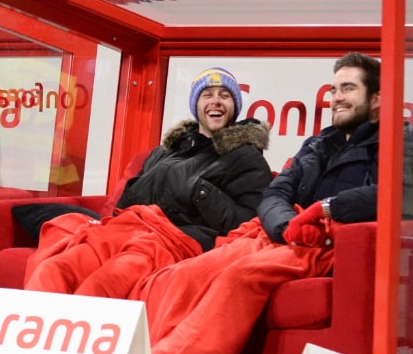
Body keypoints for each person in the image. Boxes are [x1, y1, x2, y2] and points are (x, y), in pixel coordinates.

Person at [136, 53, 413, 354]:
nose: (337, 98)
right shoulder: (318, 143)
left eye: (348, 88)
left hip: (330, 241)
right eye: (333, 90)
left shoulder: (398, 139)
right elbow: (275, 193)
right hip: (287, 234)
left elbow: (397, 194)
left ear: (376, 98)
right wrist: (287, 226)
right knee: (188, 272)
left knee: (241, 276)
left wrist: (326, 209)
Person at [22, 68, 272, 299]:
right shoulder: (164, 152)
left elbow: (248, 226)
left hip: (177, 239)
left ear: (234, 107)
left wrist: (200, 191)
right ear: (196, 105)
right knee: (55, 268)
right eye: (207, 95)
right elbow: (125, 204)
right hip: (128, 228)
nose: (216, 101)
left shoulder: (246, 157)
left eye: (225, 96)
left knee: (104, 283)